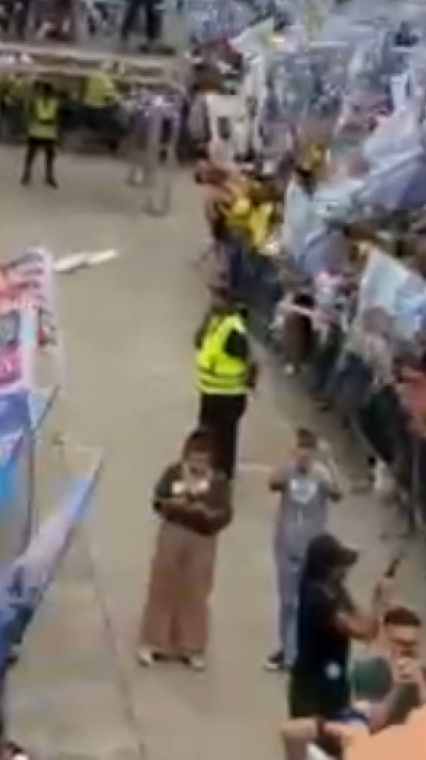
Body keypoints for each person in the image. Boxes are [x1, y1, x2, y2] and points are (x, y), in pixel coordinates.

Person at [281, 532, 396, 753]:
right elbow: (364, 631)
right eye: (338, 565)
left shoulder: (334, 589)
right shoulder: (318, 599)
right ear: (326, 567)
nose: (344, 570)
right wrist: (380, 601)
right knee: (313, 749)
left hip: (334, 686)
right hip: (312, 691)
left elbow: (363, 620)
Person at [137, 429, 232, 669]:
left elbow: (225, 514)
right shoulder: (173, 473)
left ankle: (192, 647)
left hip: (202, 537)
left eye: (202, 460)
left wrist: (206, 514)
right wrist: (174, 505)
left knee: (196, 591)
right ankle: (155, 642)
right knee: (163, 586)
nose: (197, 464)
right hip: (173, 532)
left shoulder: (218, 482)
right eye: (194, 459)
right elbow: (158, 500)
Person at [268, 427, 342, 672]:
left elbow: (338, 493)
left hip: (312, 549)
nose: (303, 455)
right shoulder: (288, 471)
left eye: (308, 450)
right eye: (300, 448)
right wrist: (287, 459)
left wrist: (329, 462)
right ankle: (287, 651)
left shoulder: (321, 474)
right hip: (286, 543)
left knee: (309, 603)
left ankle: (305, 650)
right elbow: (273, 482)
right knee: (288, 601)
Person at [193, 279, 255, 479]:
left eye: (217, 297)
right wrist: (207, 317)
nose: (212, 300)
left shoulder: (234, 330)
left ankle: (223, 476)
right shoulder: (215, 321)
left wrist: (247, 386)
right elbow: (197, 341)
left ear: (229, 302)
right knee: (207, 435)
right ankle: (207, 468)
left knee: (225, 439)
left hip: (228, 395)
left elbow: (250, 360)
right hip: (210, 392)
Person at [20, 83, 61, 190]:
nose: (45, 93)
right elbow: (30, 114)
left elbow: (58, 117)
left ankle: (49, 176)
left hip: (49, 130)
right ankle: (27, 174)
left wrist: (57, 129)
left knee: (49, 155)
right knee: (31, 153)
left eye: (47, 91)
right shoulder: (36, 102)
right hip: (37, 128)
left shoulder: (54, 103)